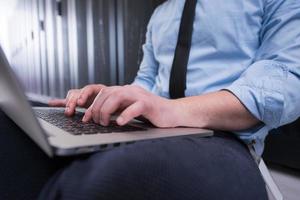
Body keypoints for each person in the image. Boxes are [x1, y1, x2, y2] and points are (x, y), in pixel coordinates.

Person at [1, 0, 299, 199]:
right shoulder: (162, 13)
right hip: (145, 128)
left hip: (224, 138)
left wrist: (172, 109)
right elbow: (145, 83)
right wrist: (112, 95)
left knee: (111, 179)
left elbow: (283, 82)